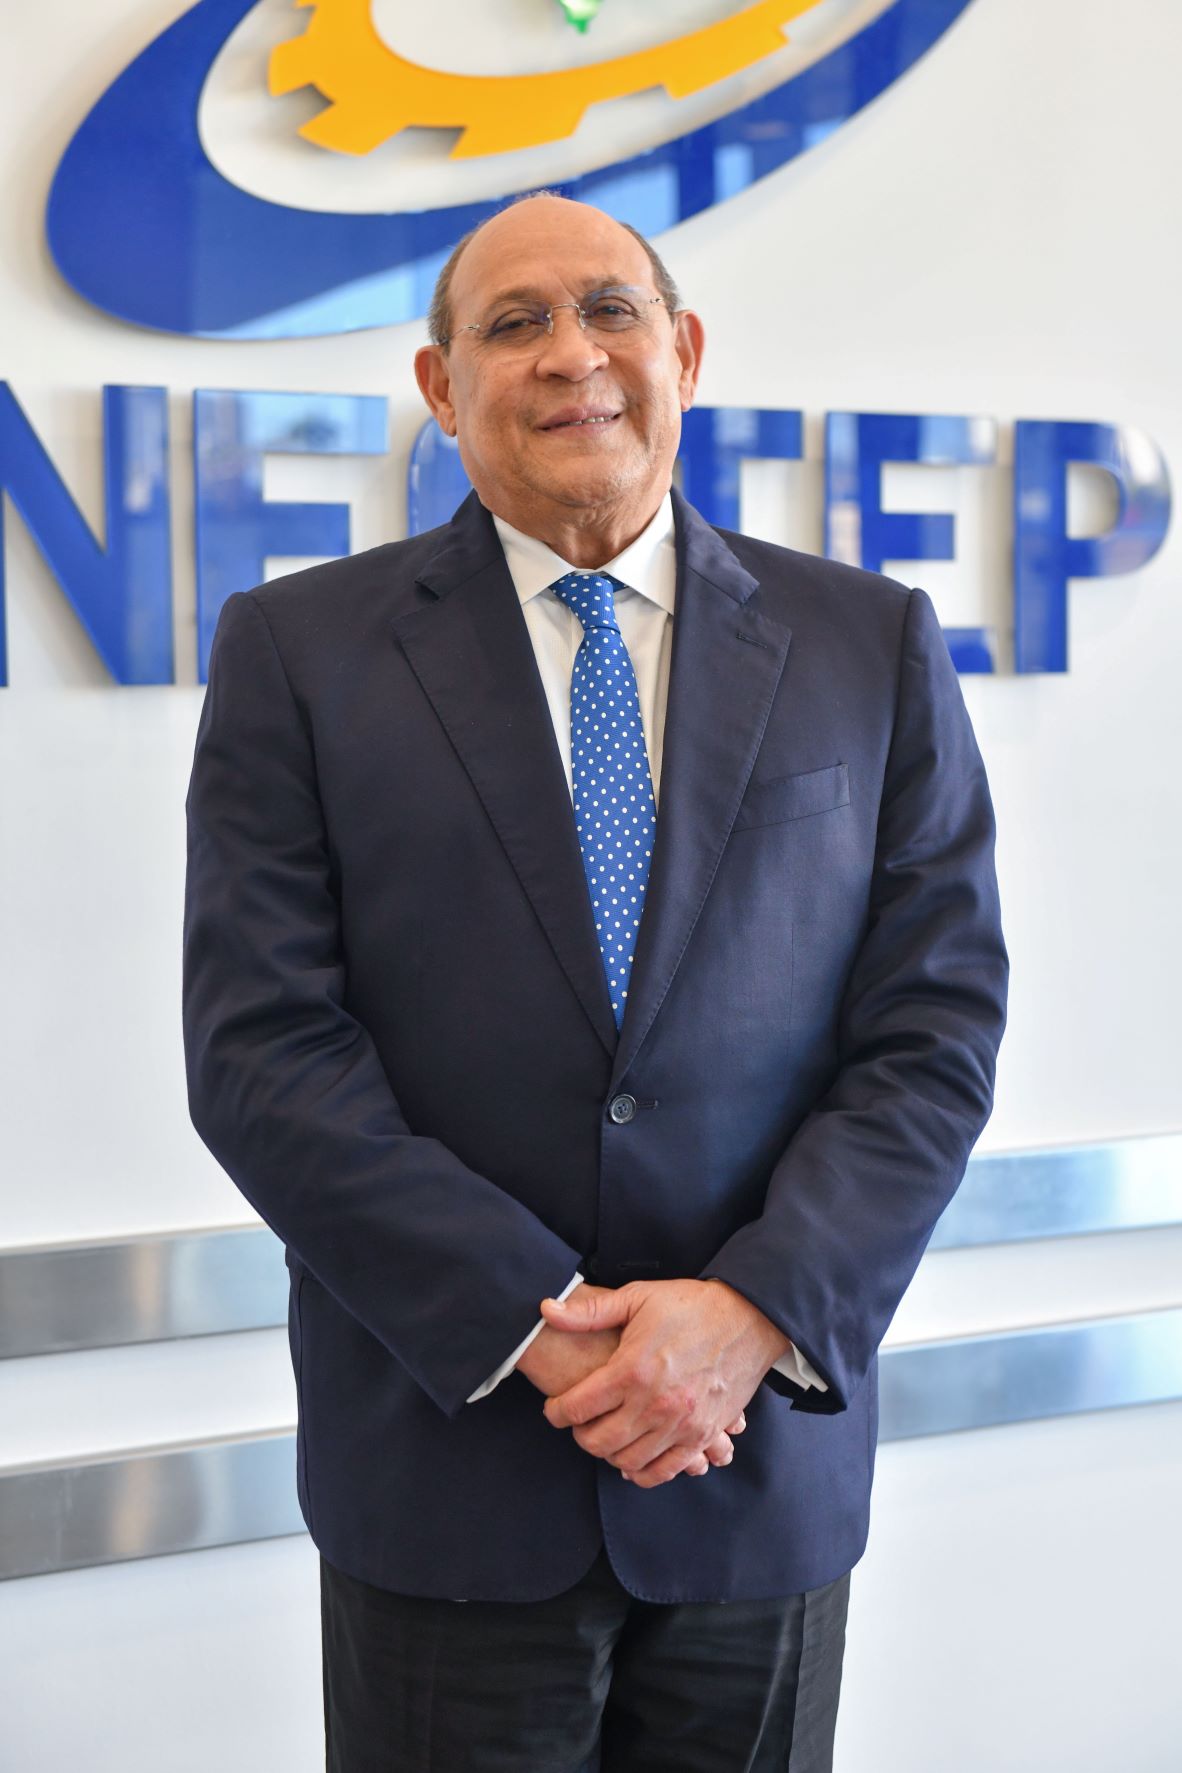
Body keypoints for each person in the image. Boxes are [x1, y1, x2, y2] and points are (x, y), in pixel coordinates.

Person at [183, 192, 1007, 1772]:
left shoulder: (867, 641)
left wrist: (752, 1312)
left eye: (610, 311)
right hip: (449, 1470)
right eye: (514, 324)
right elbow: (262, 1052)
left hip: (752, 1460)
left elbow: (933, 1026)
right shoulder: (300, 651)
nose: (572, 356)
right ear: (440, 388)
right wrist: (544, 1326)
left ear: (681, 352)